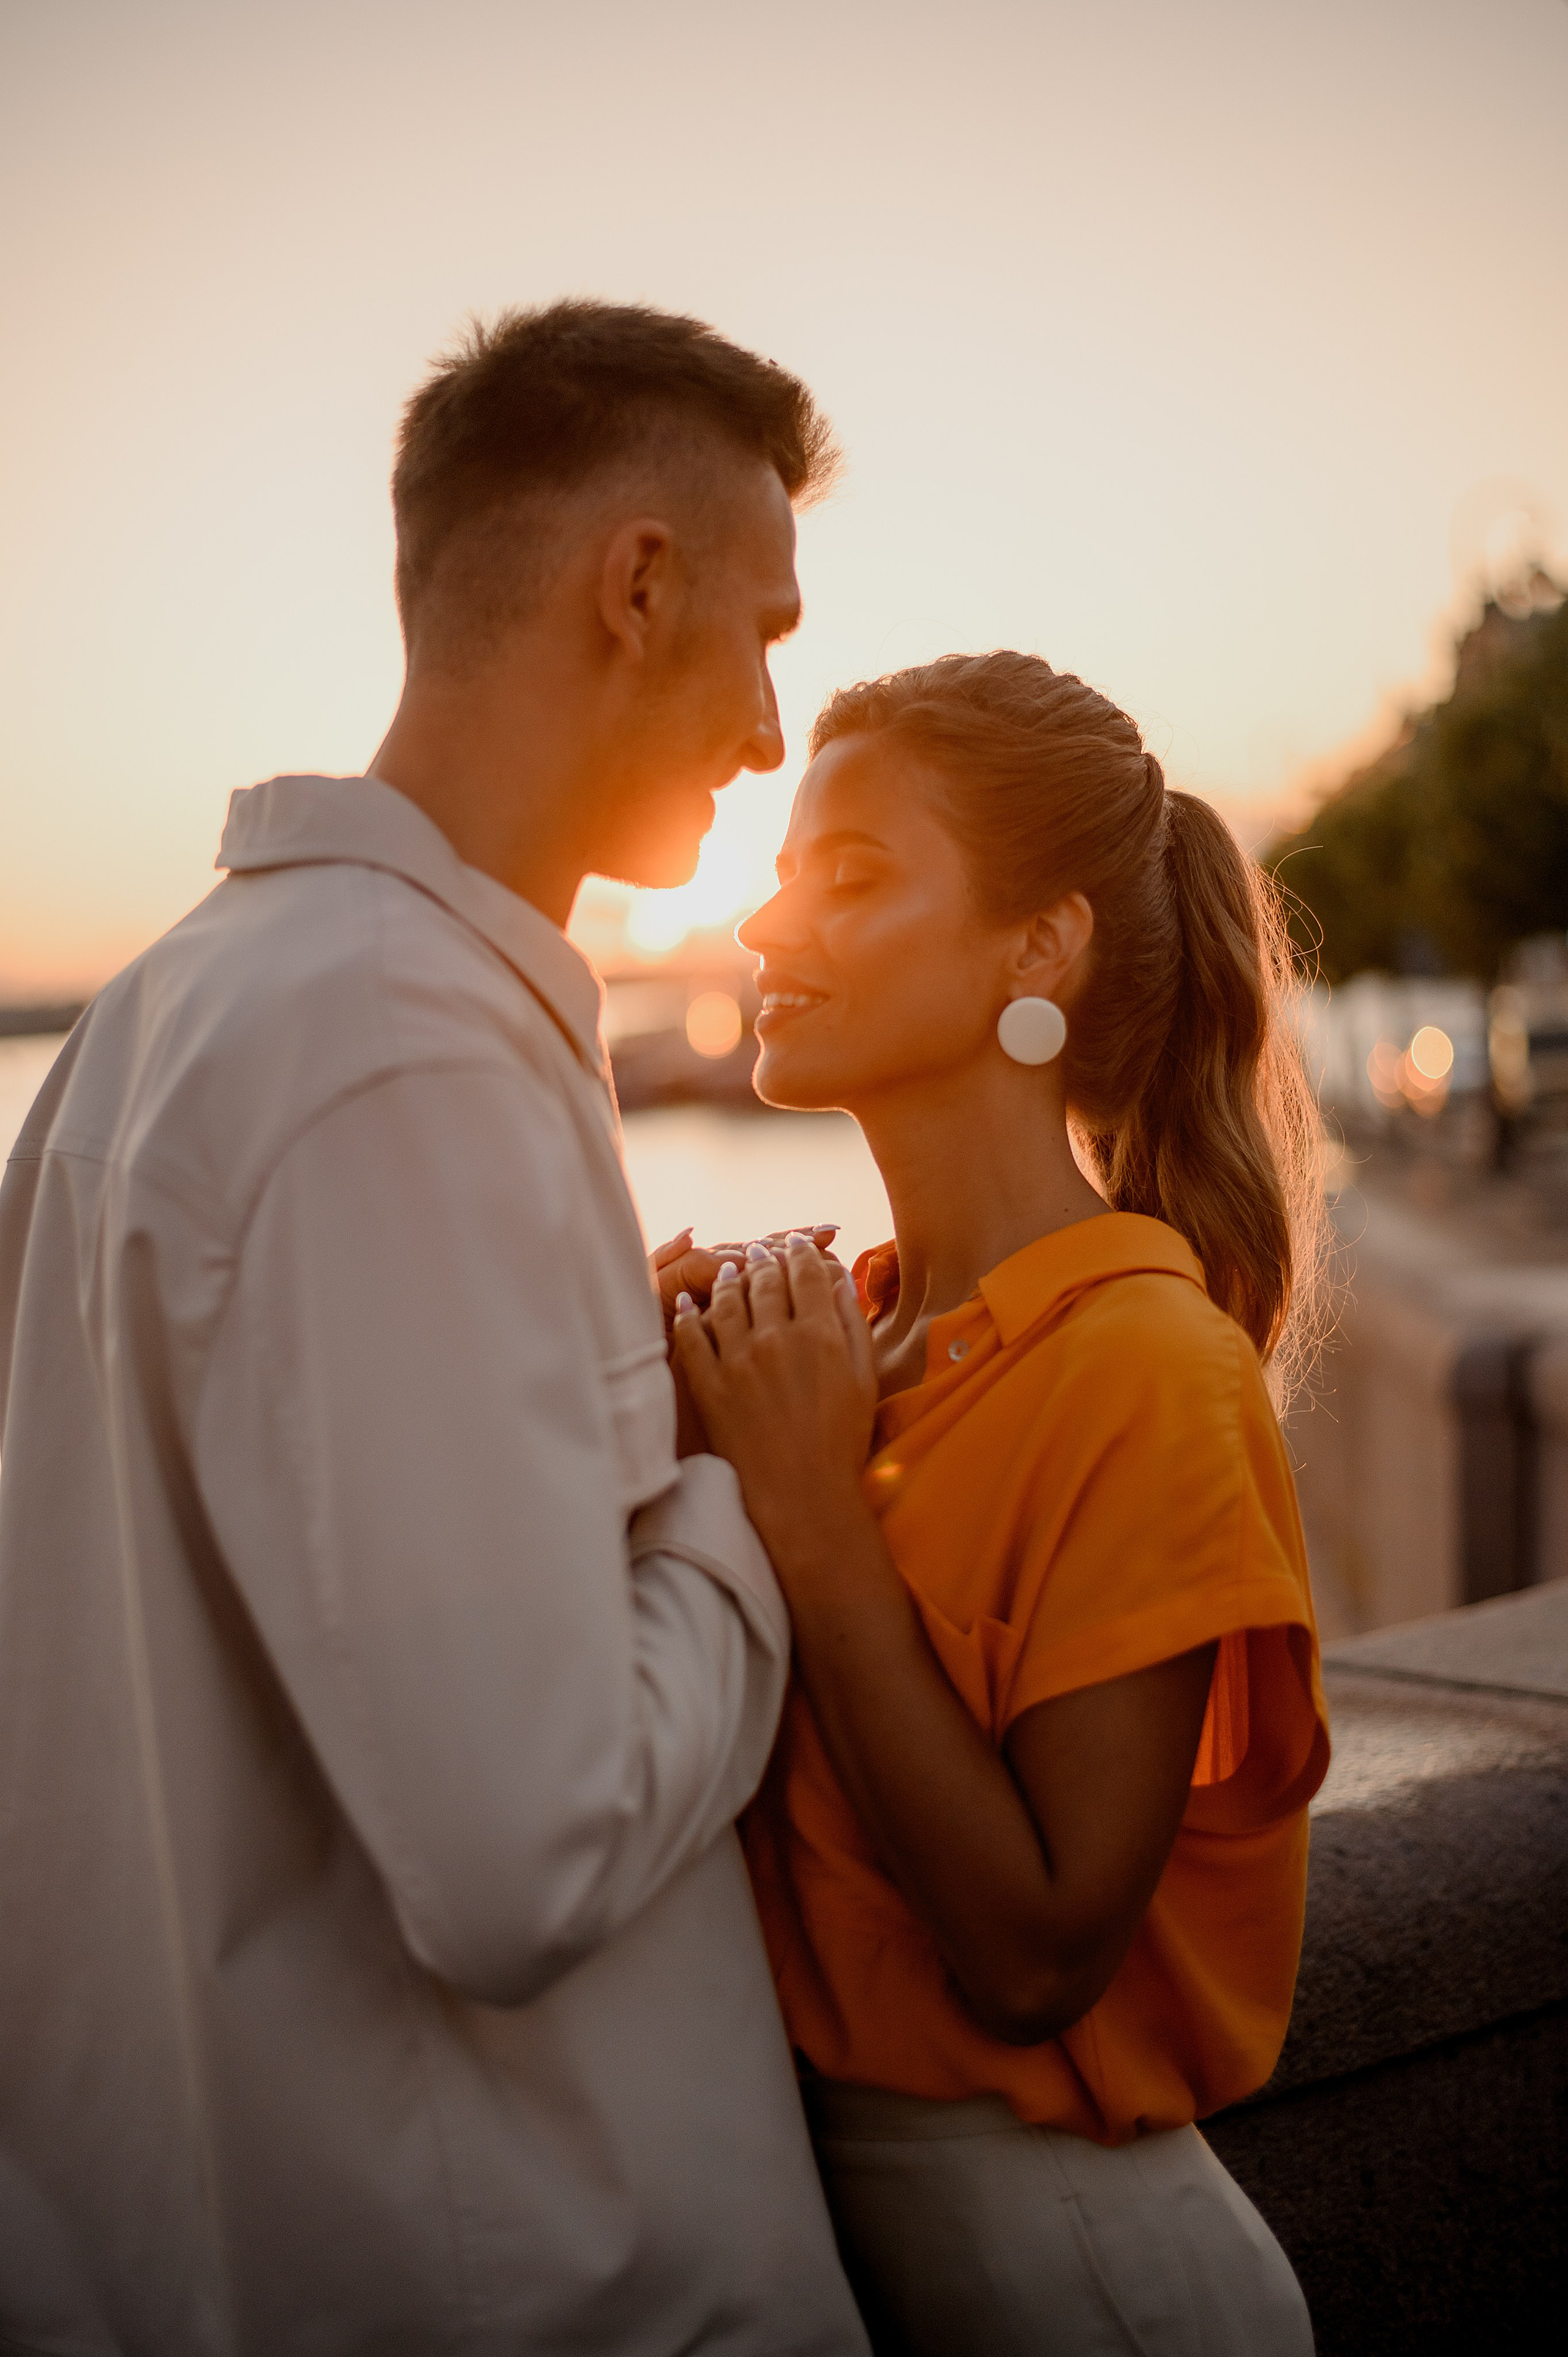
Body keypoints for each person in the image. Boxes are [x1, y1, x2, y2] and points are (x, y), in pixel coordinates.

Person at [0, 303, 870, 2354]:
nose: (770, 730)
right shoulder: (404, 1055)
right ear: (636, 587)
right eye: (766, 633)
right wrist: (747, 1497)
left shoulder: (155, 1019)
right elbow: (520, 1858)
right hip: (546, 2291)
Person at [673, 652, 1333, 2355]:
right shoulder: (833, 1332)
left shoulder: (1144, 1368)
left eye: (855, 877)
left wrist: (813, 1529)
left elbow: (1041, 1956)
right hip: (826, 2250)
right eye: (785, 871)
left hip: (1080, 2280)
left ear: (1038, 949)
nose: (766, 927)